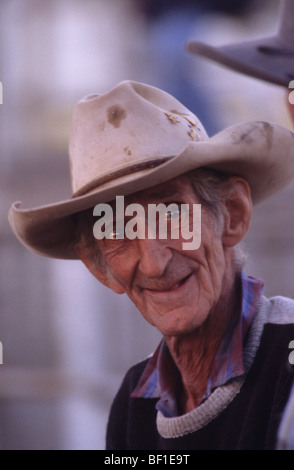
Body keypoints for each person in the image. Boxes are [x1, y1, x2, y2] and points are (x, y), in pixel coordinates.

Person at [8, 80, 294, 450]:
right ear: (99, 268)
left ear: (232, 214)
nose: (155, 263)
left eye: (172, 214)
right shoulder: (135, 400)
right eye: (119, 232)